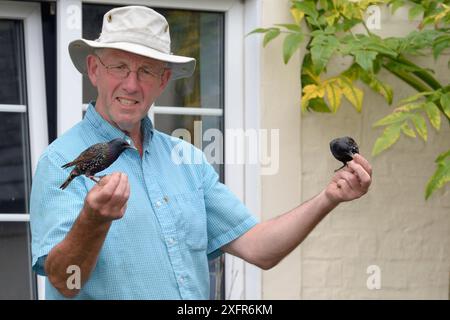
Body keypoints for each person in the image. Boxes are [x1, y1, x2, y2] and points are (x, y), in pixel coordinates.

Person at [30, 6, 372, 300]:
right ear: (94, 70)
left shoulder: (187, 160)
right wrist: (94, 220)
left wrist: (329, 197)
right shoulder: (60, 161)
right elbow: (66, 280)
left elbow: (259, 248)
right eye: (119, 66)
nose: (131, 85)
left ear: (163, 80)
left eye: (146, 71)